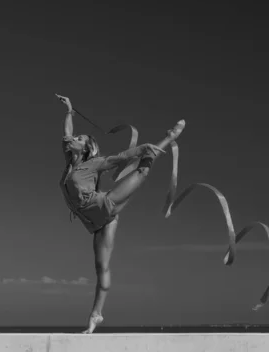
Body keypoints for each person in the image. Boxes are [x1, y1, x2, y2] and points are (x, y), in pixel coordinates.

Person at [56, 94, 186, 334]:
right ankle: (96, 315)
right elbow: (67, 131)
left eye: (79, 138)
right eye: (75, 137)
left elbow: (121, 158)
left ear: (86, 147)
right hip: (96, 223)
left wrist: (143, 148)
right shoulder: (69, 163)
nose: (73, 138)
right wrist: (69, 110)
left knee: (142, 172)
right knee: (101, 267)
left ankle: (170, 137)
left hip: (106, 205)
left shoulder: (94, 163)